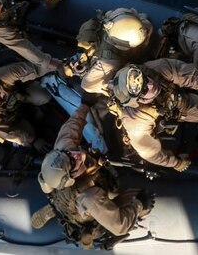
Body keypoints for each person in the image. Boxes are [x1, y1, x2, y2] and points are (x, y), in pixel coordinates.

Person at [34, 103, 152, 248]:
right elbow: (119, 226)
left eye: (69, 155)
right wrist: (139, 203)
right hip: (87, 209)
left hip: (65, 195)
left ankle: (55, 208)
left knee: (62, 201)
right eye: (73, 163)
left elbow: (73, 125)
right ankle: (60, 212)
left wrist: (85, 105)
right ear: (72, 176)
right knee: (138, 199)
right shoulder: (90, 197)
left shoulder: (63, 151)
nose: (75, 155)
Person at [109, 59, 198, 171]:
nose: (151, 85)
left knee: (185, 96)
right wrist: (175, 163)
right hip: (162, 110)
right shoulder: (135, 121)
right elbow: (150, 154)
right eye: (144, 89)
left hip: (171, 95)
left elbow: (197, 77)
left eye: (145, 79)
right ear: (137, 101)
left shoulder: (156, 69)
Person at [73, 7, 153, 96]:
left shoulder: (109, 61)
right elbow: (145, 20)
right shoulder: (139, 27)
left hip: (108, 57)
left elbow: (87, 85)